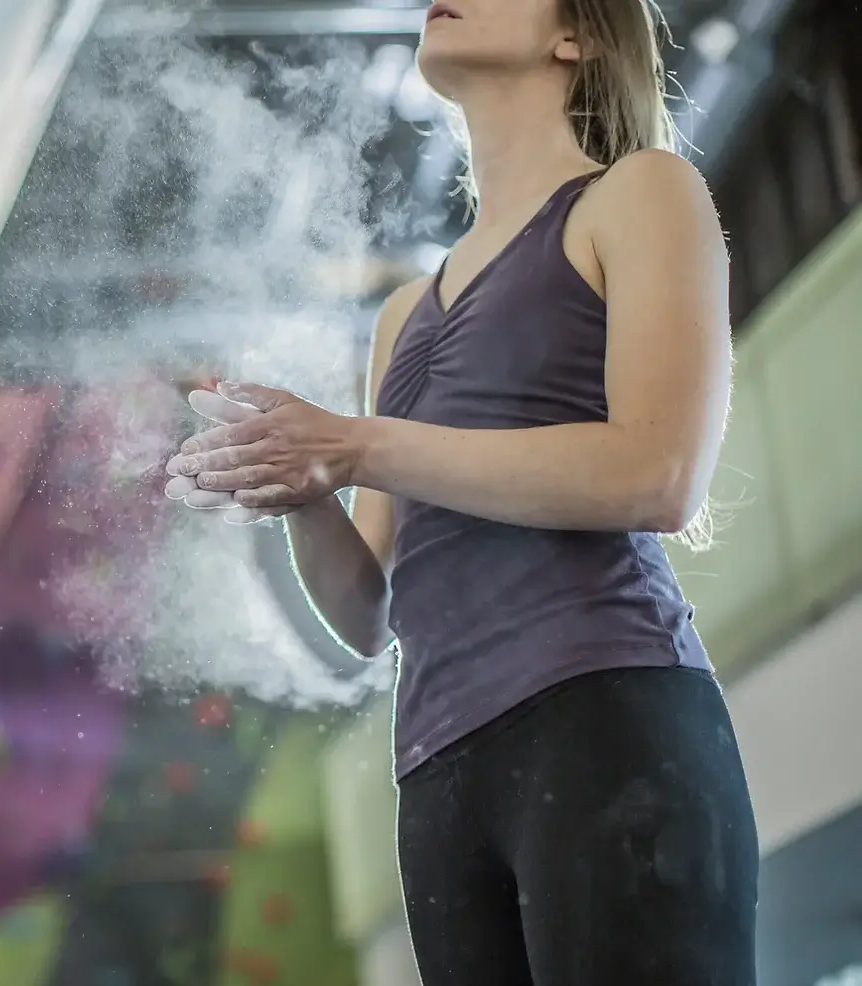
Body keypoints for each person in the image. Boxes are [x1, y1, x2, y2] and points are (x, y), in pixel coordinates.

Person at [163, 0, 758, 982]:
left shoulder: (640, 194)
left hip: (601, 711)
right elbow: (369, 613)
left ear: (574, 35)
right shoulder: (405, 312)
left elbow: (657, 474)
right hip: (439, 773)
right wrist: (302, 482)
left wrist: (356, 444)